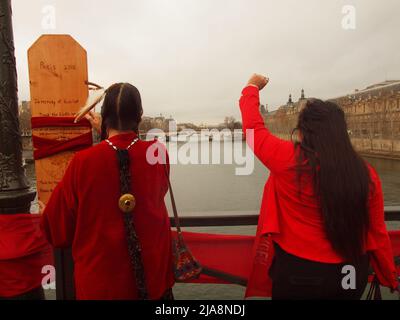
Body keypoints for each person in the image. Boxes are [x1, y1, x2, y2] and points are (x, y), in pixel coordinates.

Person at [240, 74, 399, 300]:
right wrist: (388, 275)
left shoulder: (287, 159)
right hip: (351, 272)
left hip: (299, 271)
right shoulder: (366, 174)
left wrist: (251, 88)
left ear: (303, 131)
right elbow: (377, 232)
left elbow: (254, 130)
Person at [41, 83, 175, 300]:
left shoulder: (82, 162)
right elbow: (146, 185)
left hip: (101, 287)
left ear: (104, 117)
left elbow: (56, 231)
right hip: (154, 282)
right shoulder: (158, 153)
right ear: (139, 116)